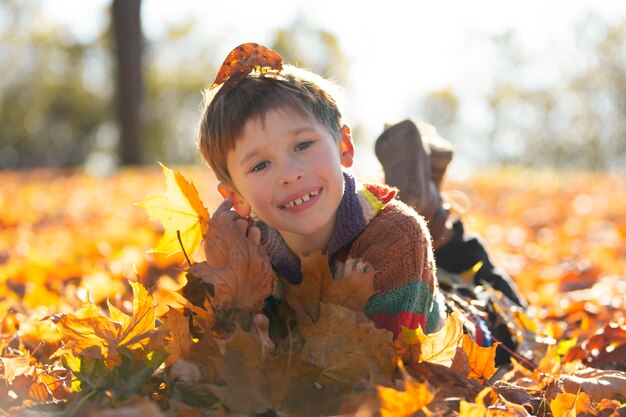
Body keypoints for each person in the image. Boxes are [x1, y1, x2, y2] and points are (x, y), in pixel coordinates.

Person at [196, 44, 525, 361]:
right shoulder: (251, 250)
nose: (289, 175)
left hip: (464, 330)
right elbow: (226, 359)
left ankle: (436, 219)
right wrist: (230, 284)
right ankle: (420, 201)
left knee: (512, 323)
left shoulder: (400, 236)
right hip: (387, 272)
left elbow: (383, 369)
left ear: (344, 148)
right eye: (260, 165)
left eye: (302, 145)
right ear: (236, 197)